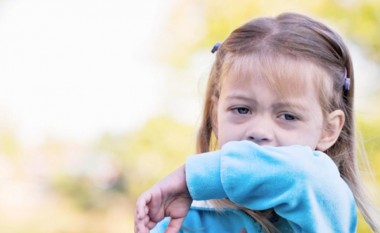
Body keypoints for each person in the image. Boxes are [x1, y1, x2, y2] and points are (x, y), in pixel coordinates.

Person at [135, 12, 379, 233]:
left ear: (328, 130)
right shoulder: (185, 220)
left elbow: (302, 174)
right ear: (215, 115)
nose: (259, 131)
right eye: (242, 109)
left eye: (288, 116)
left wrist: (191, 177)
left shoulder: (323, 201)